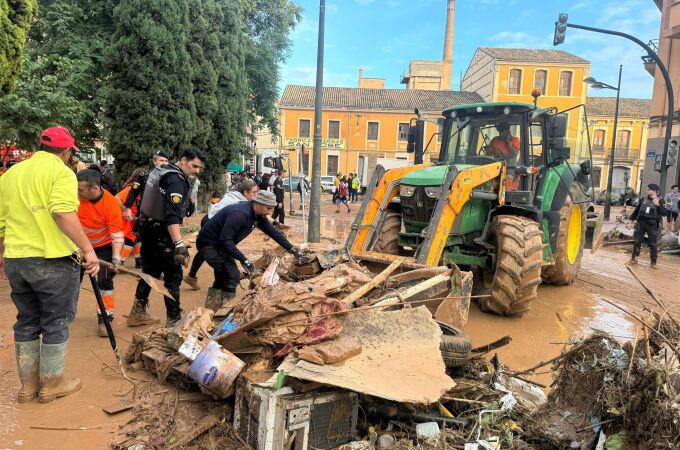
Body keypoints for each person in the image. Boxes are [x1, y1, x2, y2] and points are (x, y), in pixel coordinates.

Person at [0, 126, 99, 404]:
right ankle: (52, 384)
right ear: (67, 151)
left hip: (17, 260)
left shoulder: (11, 174)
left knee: (27, 320)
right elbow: (62, 212)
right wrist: (88, 249)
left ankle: (27, 387)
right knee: (55, 321)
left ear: (41, 146)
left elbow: (1, 222)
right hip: (53, 260)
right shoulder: (61, 173)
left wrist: (5, 255)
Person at [130, 147, 206, 327]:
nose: (196, 171)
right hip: (162, 234)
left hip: (147, 229)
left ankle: (137, 312)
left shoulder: (164, 171)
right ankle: (174, 320)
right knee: (173, 274)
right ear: (184, 160)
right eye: (194, 166)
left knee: (150, 272)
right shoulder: (176, 180)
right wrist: (178, 243)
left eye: (199, 168)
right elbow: (172, 215)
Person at [196, 191, 299, 310]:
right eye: (268, 208)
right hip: (209, 244)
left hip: (221, 244)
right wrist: (244, 259)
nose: (270, 212)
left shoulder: (258, 215)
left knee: (223, 275)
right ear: (258, 204)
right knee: (232, 275)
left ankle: (212, 309)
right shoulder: (240, 214)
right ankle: (224, 313)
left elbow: (274, 233)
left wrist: (292, 250)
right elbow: (225, 239)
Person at [183, 179, 259, 292]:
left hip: (213, 219)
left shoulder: (238, 197)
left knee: (215, 251)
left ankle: (193, 276)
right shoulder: (237, 203)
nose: (256, 195)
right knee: (214, 250)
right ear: (245, 192)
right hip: (210, 221)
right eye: (254, 192)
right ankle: (212, 279)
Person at [77, 169, 125, 337]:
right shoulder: (75, 198)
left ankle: (105, 319)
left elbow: (117, 235)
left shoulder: (110, 203)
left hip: (103, 247)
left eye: (81, 190)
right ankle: (64, 313)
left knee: (104, 281)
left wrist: (116, 258)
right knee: (70, 278)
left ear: (95, 188)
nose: (78, 193)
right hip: (79, 245)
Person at [122, 151, 169, 223]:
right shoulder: (144, 177)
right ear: (155, 162)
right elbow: (133, 192)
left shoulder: (171, 179)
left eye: (166, 161)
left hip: (163, 216)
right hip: (146, 216)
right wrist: (128, 208)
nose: (164, 163)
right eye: (161, 160)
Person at [628, 183, 667, 268]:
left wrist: (657, 205)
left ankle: (653, 262)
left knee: (653, 243)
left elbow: (664, 213)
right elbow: (636, 211)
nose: (646, 190)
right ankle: (634, 258)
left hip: (652, 224)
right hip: (641, 223)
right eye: (646, 189)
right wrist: (630, 222)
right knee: (637, 241)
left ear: (654, 191)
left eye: (648, 189)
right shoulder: (643, 199)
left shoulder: (660, 201)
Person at [116, 168, 148, 269]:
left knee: (137, 238)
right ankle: (120, 262)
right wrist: (126, 210)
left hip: (134, 218)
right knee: (130, 239)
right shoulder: (130, 188)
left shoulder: (139, 188)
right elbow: (116, 198)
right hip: (129, 219)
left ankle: (139, 260)